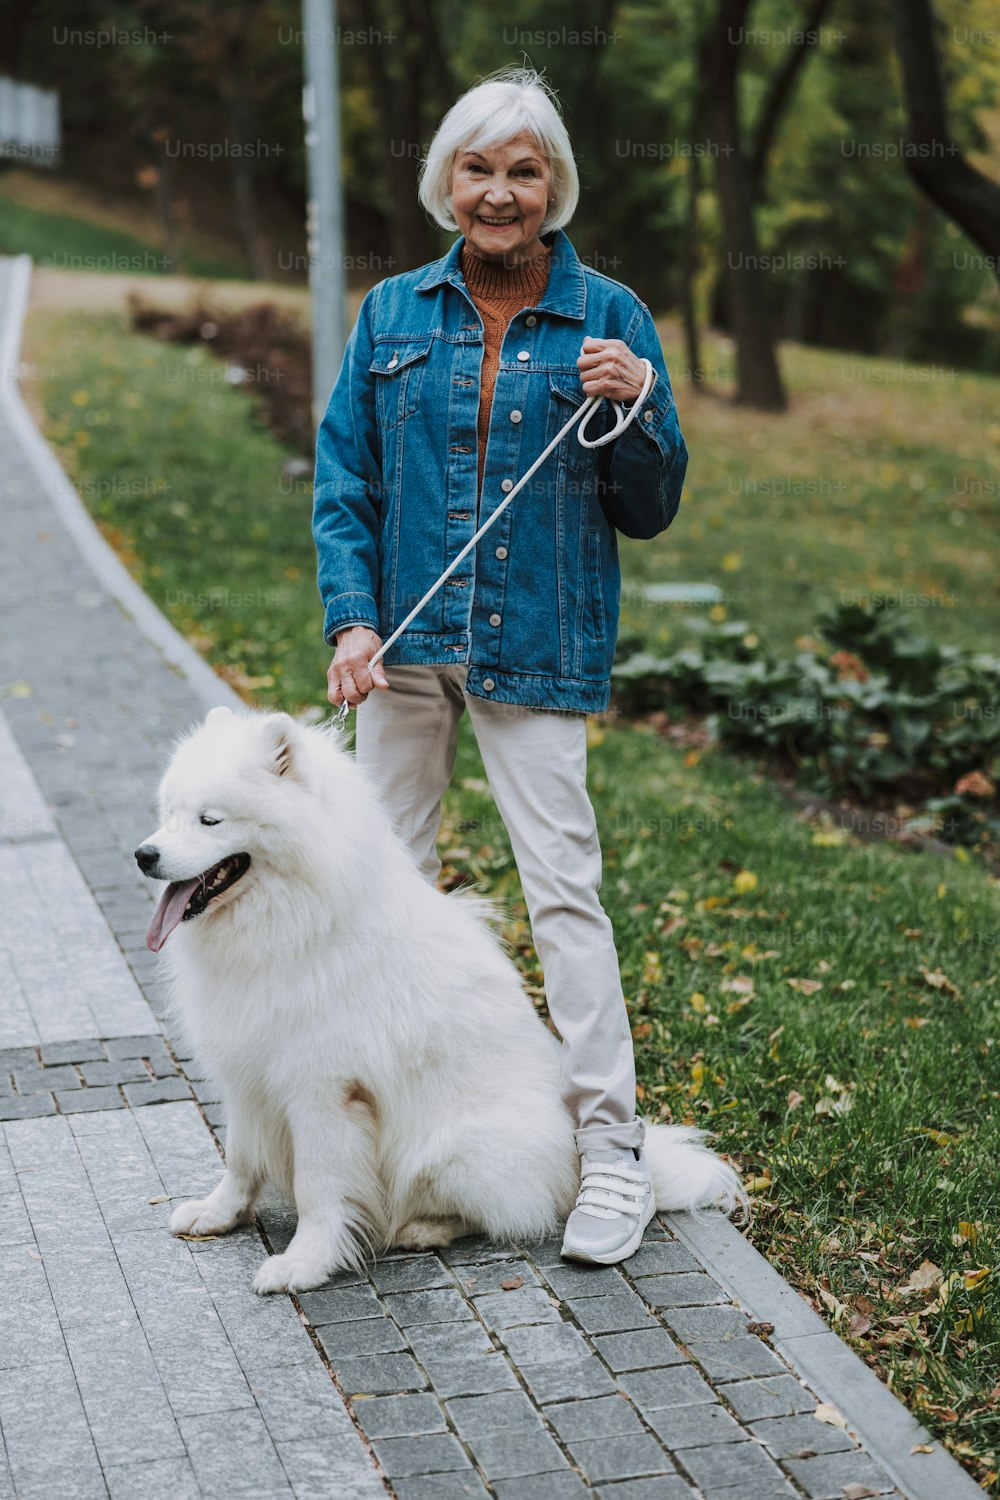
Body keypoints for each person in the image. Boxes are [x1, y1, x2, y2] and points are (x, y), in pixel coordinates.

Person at [311, 65, 689, 1265]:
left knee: (562, 893)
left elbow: (651, 506)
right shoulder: (391, 315)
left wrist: (643, 409)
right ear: (445, 181)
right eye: (478, 168)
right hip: (405, 652)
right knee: (379, 898)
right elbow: (345, 484)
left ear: (554, 185)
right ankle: (380, 1147)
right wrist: (352, 624)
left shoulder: (612, 318)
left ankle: (611, 1155)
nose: (500, 192)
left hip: (535, 646)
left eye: (524, 171)